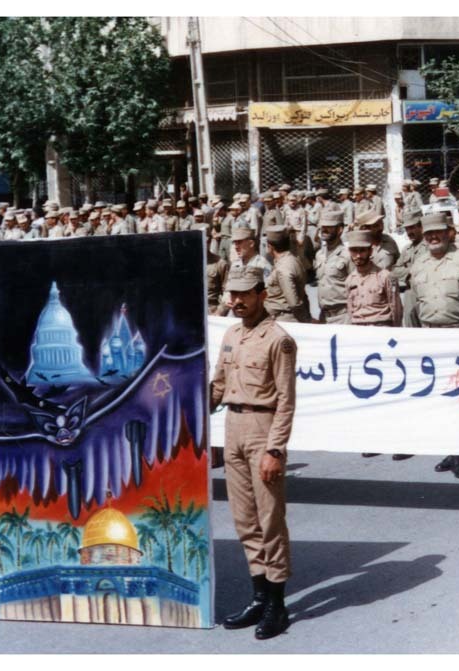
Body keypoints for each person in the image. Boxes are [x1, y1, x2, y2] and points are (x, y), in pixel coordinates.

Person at [211, 266, 296, 640]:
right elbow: (217, 386)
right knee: (244, 519)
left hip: (263, 429)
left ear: (262, 294)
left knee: (269, 518)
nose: (237, 301)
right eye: (232, 294)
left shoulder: (278, 340)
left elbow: (286, 401)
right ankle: (259, 596)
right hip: (233, 427)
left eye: (245, 294)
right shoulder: (231, 334)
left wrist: (275, 449)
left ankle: (278, 604)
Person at [412, 211, 459, 479]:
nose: (433, 237)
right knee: (441, 398)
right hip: (431, 337)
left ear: (448, 233)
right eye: (428, 233)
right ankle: (452, 451)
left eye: (438, 232)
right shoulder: (418, 264)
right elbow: (416, 304)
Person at [345, 230, 403, 327]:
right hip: (358, 328)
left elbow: (396, 309)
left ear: (370, 251)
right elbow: (350, 311)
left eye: (362, 250)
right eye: (354, 251)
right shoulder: (350, 280)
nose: (358, 256)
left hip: (381, 327)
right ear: (349, 252)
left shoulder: (385, 276)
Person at [264, 228, 312, 323]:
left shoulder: (283, 268)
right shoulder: (294, 260)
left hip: (284, 319)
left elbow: (293, 303)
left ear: (270, 247)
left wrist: (305, 321)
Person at [313, 210, 353, 324]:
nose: (324, 230)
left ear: (340, 229)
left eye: (329, 227)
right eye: (322, 227)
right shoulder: (319, 254)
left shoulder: (348, 255)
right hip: (324, 316)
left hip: (343, 317)